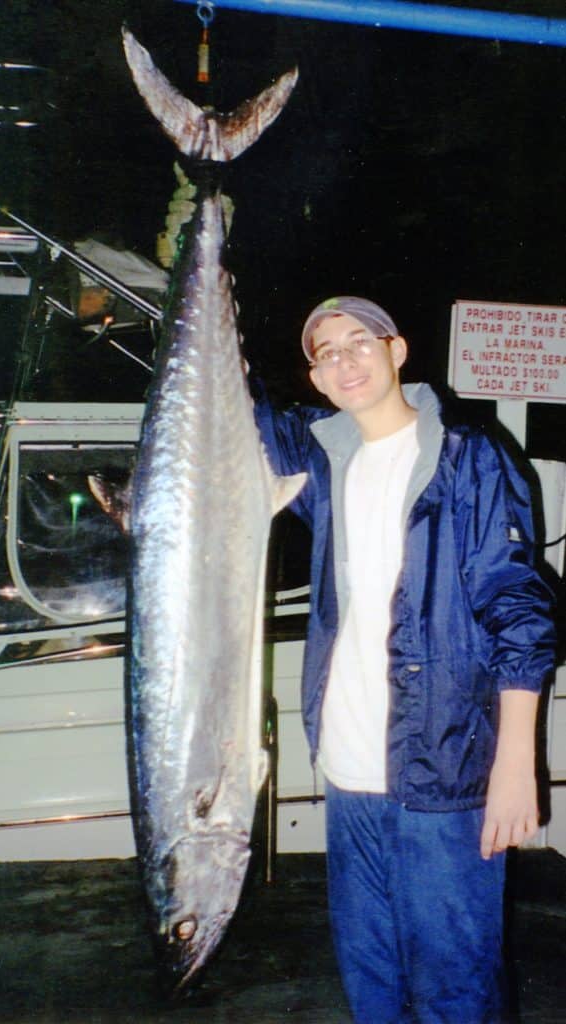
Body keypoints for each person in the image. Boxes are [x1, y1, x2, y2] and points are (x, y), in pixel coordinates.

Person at [252, 296, 556, 1024]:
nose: (345, 360)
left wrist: (514, 765)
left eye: (360, 342)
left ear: (396, 352)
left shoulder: (467, 455)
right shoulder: (320, 464)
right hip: (348, 768)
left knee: (456, 987)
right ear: (317, 379)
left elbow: (518, 609)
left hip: (446, 771)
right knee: (373, 981)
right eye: (326, 352)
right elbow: (231, 408)